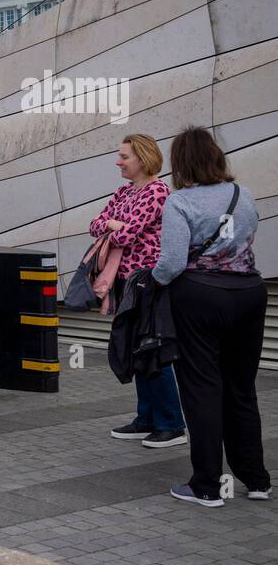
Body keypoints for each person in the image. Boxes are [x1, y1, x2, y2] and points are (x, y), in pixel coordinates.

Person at [151, 127, 269, 508]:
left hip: (200, 297)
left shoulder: (179, 202)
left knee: (202, 388)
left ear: (180, 163)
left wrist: (151, 283)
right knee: (241, 387)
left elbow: (170, 262)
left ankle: (205, 485)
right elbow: (245, 238)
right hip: (250, 293)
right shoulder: (243, 194)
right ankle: (255, 479)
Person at [91, 134, 185, 448]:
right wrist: (113, 224)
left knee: (153, 351)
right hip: (129, 284)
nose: (118, 162)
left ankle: (171, 423)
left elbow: (127, 234)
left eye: (124, 156)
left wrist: (115, 225)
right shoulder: (124, 192)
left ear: (142, 159)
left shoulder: (157, 191)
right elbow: (94, 224)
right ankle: (146, 418)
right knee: (137, 351)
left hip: (150, 282)